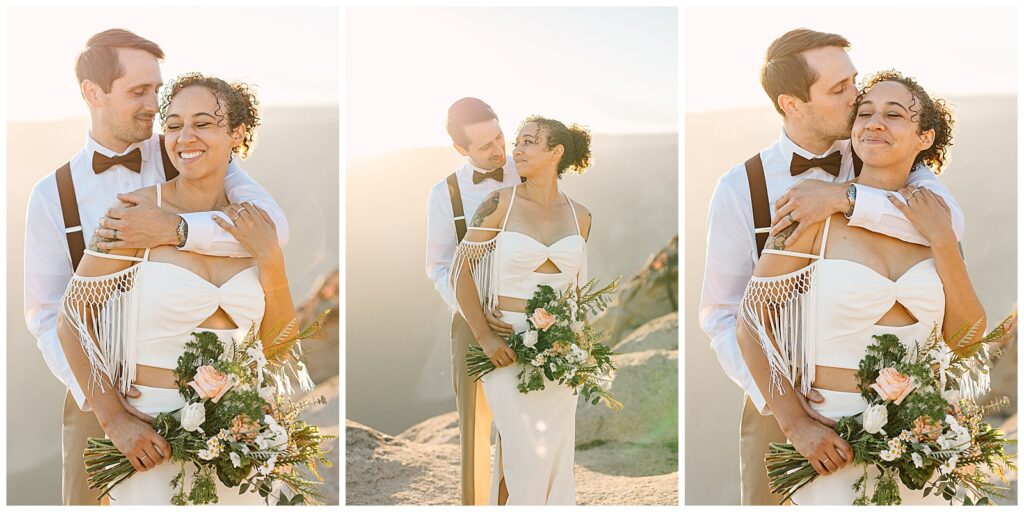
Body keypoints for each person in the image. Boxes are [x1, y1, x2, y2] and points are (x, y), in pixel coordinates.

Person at [698, 29, 965, 505]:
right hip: (779, 402)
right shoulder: (741, 188)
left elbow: (948, 223)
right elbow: (723, 314)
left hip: (895, 397)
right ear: (792, 104)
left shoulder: (880, 149)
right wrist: (787, 412)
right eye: (839, 89)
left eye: (854, 81)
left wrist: (844, 197)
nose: (858, 97)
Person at [23, 29, 288, 505]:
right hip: (99, 393)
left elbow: (272, 232)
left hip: (221, 398)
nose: (154, 105)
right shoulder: (51, 195)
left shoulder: (190, 154)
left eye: (157, 91)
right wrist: (109, 407)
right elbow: (48, 313)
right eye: (138, 92)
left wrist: (175, 230)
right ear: (93, 93)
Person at [451, 116, 592, 505]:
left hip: (562, 351)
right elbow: (459, 273)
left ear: (556, 152)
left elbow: (578, 290)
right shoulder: (499, 203)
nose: (517, 150)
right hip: (507, 345)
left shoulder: (581, 216)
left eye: (529, 142)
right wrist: (485, 336)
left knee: (552, 457)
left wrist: (580, 347)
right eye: (517, 142)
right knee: (524, 453)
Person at [425, 97, 521, 505]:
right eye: (485, 146)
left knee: (526, 423)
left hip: (534, 312)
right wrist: (476, 315)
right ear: (461, 150)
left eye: (500, 135)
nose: (499, 149)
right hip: (471, 319)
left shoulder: (529, 171)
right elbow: (438, 267)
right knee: (476, 426)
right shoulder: (444, 193)